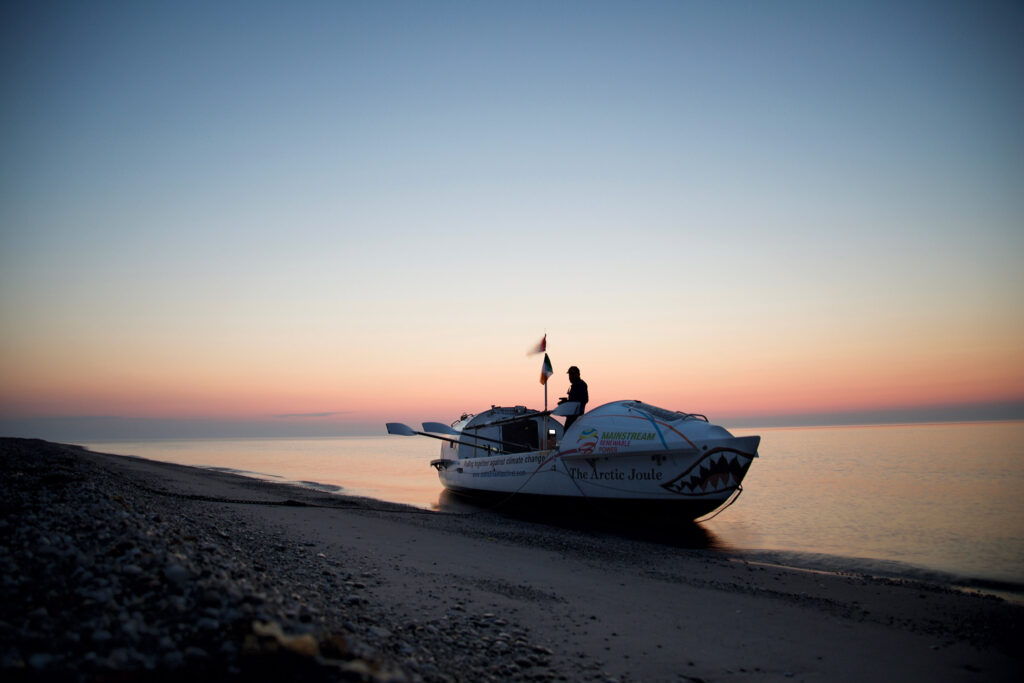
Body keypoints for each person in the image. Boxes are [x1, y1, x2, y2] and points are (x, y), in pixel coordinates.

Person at [559, 366, 588, 430]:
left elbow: (584, 400)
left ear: (578, 374)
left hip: (576, 417)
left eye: (572, 374)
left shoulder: (581, 385)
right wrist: (566, 402)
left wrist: (568, 403)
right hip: (571, 416)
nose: (570, 377)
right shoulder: (574, 386)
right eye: (569, 375)